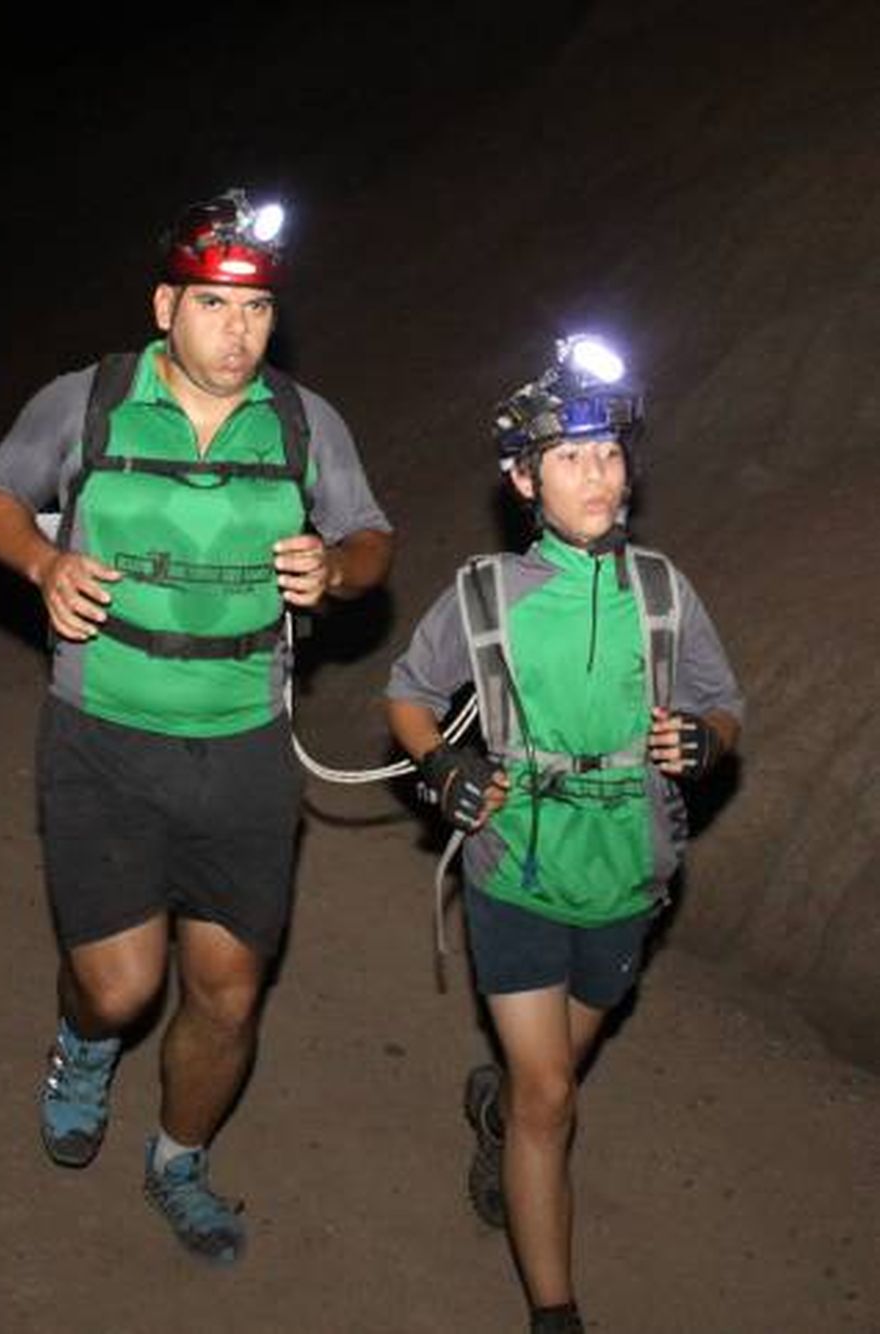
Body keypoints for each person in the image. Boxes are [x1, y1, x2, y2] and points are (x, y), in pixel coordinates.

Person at [0, 188, 393, 1262]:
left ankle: (180, 1159)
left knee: (228, 991)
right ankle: (82, 1039)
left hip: (246, 750)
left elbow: (371, 532)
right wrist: (42, 561)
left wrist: (337, 568)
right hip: (101, 734)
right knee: (121, 986)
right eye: (213, 305)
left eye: (254, 312)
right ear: (168, 306)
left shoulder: (304, 419)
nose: (237, 330)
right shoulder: (91, 400)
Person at [384, 332, 743, 1334]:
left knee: (548, 1075)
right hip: (514, 868)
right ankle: (555, 1312)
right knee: (554, 1097)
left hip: (630, 872)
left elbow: (722, 704)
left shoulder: (663, 594)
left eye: (610, 452)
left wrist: (704, 745)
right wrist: (444, 765)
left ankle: (497, 1112)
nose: (598, 474)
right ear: (522, 476)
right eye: (571, 456)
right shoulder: (485, 596)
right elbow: (410, 694)